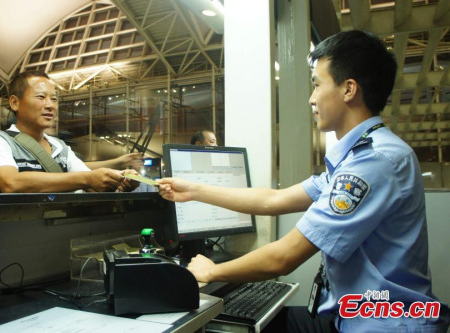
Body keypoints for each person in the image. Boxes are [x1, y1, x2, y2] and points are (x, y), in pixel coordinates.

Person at [158, 30, 449, 332]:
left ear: (349, 89)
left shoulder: (371, 162)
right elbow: (273, 200)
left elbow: (282, 258)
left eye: (317, 85)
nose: (312, 98)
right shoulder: (359, 157)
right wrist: (193, 190)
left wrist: (213, 270)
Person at [0, 70, 139, 193]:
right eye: (41, 97)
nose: (50, 105)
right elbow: (10, 183)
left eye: (54, 99)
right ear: (15, 103)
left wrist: (118, 181)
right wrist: (87, 178)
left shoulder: (60, 147)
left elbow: (92, 185)